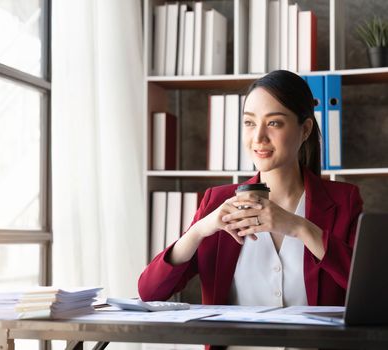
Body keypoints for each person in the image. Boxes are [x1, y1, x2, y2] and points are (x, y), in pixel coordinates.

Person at [138, 70, 363, 342]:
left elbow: (369, 292)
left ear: (304, 130)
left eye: (275, 123)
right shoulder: (216, 202)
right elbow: (150, 292)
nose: (259, 137)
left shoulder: (344, 200)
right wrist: (198, 230)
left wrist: (300, 227)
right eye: (249, 123)